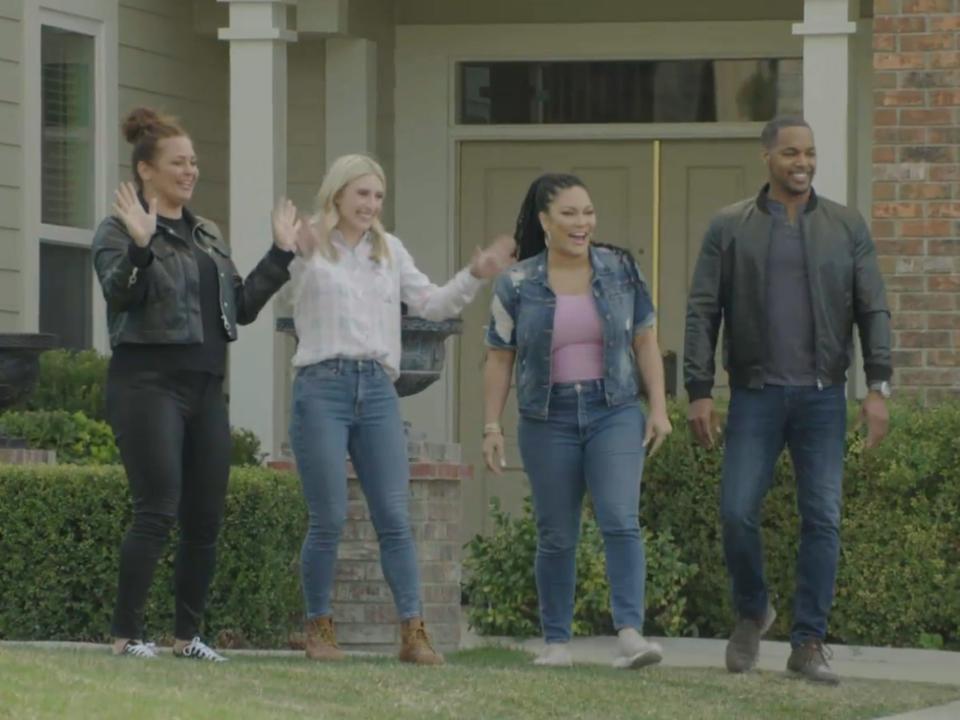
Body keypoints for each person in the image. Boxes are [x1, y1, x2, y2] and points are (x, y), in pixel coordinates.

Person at [275, 153, 514, 665]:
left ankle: (413, 632)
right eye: (362, 194)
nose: (371, 204)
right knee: (329, 517)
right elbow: (290, 287)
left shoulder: (390, 251)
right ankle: (319, 627)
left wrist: (475, 274)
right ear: (337, 193)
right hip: (322, 385)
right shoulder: (309, 241)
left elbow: (431, 303)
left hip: (378, 388)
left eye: (378, 196)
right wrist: (292, 250)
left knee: (394, 516)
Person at [683, 116, 892, 684]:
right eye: (791, 153)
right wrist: (699, 390)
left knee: (822, 517)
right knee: (735, 511)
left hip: (823, 397)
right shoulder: (729, 227)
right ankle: (753, 610)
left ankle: (808, 643)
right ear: (767, 158)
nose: (803, 162)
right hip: (754, 395)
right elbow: (703, 311)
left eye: (810, 153)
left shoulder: (846, 226)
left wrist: (878, 386)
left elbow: (872, 308)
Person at [93, 107, 298, 660]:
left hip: (206, 385)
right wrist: (140, 247)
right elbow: (120, 294)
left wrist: (281, 254)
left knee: (205, 516)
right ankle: (126, 635)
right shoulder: (118, 229)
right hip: (147, 382)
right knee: (157, 507)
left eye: (193, 162)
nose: (189, 171)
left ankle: (187, 636)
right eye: (177, 163)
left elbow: (242, 308)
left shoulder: (207, 234)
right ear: (146, 171)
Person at [481, 173, 672, 669]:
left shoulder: (621, 269)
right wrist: (492, 426)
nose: (581, 222)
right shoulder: (517, 282)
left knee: (619, 520)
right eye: (569, 213)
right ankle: (557, 643)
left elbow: (646, 340)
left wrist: (658, 408)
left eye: (587, 212)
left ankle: (630, 635)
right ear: (545, 221)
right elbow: (499, 358)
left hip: (614, 409)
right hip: (548, 417)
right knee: (557, 533)